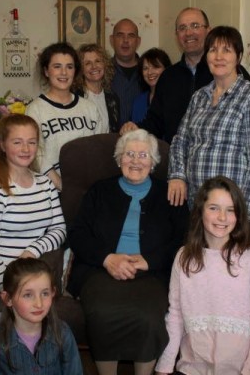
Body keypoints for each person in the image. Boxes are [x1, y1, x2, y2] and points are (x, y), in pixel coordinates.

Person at [67, 129, 189, 375]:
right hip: (99, 271)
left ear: (153, 162)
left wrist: (150, 260)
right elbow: (77, 234)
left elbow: (183, 240)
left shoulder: (170, 194)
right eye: (129, 154)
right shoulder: (99, 191)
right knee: (102, 314)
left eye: (143, 155)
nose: (135, 160)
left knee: (149, 317)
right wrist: (107, 258)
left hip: (152, 274)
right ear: (119, 158)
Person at [155, 176, 250, 375]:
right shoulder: (184, 257)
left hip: (238, 370)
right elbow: (175, 315)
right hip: (191, 368)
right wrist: (164, 366)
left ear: (239, 215)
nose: (222, 218)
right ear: (200, 211)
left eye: (230, 210)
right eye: (214, 208)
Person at [167, 26, 250, 217]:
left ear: (238, 57)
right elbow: (180, 141)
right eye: (213, 50)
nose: (218, 56)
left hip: (229, 211)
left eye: (226, 50)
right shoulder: (199, 97)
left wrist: (242, 214)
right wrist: (177, 175)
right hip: (196, 206)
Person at [120, 7, 250, 144]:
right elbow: (155, 123)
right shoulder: (168, 77)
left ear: (208, 30)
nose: (188, 33)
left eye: (195, 26)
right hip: (178, 160)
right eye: (182, 28)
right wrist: (136, 128)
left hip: (221, 161)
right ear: (176, 35)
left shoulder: (231, 72)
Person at [0, 114, 66, 311]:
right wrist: (11, 292)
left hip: (36, 287)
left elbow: (59, 230)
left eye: (31, 142)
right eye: (17, 142)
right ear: (2, 145)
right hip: (4, 293)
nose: (26, 149)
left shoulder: (45, 183)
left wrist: (32, 250)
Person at [0, 258, 83, 374]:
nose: (39, 303)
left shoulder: (62, 333)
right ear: (8, 299)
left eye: (45, 293)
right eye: (28, 295)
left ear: (53, 293)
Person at [26, 42, 107, 190]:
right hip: (51, 191)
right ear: (46, 71)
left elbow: (100, 150)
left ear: (75, 71)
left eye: (69, 67)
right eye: (57, 67)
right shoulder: (35, 109)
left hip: (89, 189)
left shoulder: (89, 108)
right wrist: (60, 184)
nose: (64, 73)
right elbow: (36, 153)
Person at [73, 43, 121, 132]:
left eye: (98, 61)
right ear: (81, 69)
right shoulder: (74, 98)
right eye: (87, 63)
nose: (94, 66)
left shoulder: (113, 98)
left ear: (105, 64)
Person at [110, 18, 143, 127]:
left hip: (142, 139)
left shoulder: (148, 72)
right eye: (120, 35)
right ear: (111, 40)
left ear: (138, 41)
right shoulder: (101, 72)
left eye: (131, 36)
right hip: (109, 140)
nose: (125, 40)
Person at [131, 47, 172, 123]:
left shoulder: (174, 98)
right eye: (145, 68)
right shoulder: (139, 101)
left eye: (155, 67)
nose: (150, 72)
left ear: (167, 69)